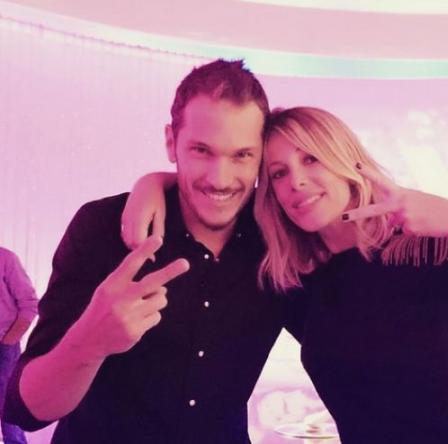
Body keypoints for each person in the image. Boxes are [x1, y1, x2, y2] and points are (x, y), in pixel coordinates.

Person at [122, 106, 448, 444]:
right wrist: (153, 182)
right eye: (278, 173)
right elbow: (218, 190)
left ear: (346, 161)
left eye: (311, 159)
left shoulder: (422, 247)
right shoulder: (292, 279)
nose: (296, 181)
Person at [3, 59, 287, 444]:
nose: (220, 178)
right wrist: (89, 343)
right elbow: (25, 410)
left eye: (241, 155)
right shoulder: (102, 227)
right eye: (201, 150)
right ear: (171, 142)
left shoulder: (277, 240)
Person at [0, 247, 38, 444]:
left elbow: (30, 304)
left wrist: (9, 341)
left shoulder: (5, 259)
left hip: (4, 347)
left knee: (7, 408)